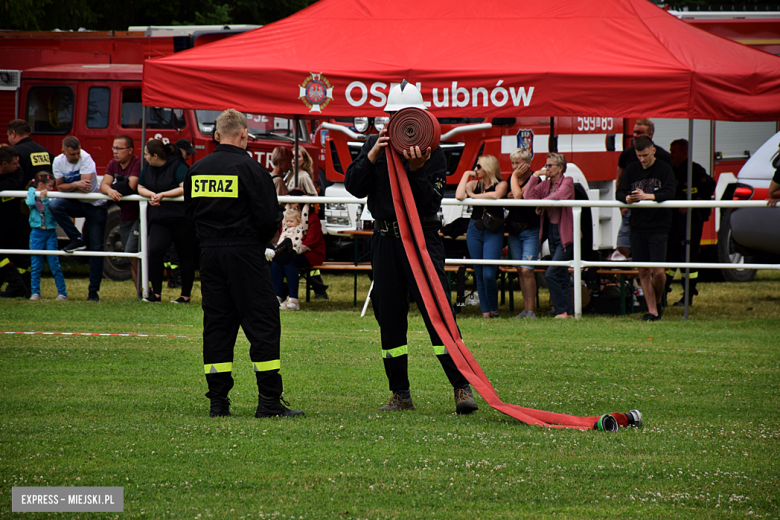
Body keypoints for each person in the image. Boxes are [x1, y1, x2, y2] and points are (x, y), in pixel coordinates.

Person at [344, 80, 478, 415]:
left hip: (421, 240)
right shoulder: (373, 145)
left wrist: (416, 170)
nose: (398, 123)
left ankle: (461, 386)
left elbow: (430, 202)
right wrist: (372, 156)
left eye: (406, 116)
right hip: (386, 241)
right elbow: (353, 187)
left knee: (438, 315)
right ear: (386, 118)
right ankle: (400, 393)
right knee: (389, 317)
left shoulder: (432, 151)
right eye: (392, 116)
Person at [184, 108, 303, 419]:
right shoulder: (252, 170)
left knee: (217, 326)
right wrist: (257, 244)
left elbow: (189, 217)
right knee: (263, 324)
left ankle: (218, 403)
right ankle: (268, 402)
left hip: (209, 255)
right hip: (246, 254)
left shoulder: (196, 170)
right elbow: (269, 218)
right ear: (242, 135)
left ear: (216, 135)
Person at [616, 136, 676, 322]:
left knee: (658, 272)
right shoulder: (632, 169)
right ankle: (652, 311)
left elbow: (669, 192)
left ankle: (658, 301)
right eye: (639, 156)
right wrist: (627, 199)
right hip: (637, 226)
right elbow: (620, 191)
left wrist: (647, 196)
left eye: (645, 155)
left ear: (653, 151)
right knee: (643, 270)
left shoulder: (664, 169)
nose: (642, 159)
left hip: (658, 226)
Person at [137, 139, 196, 304]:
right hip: (159, 218)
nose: (144, 157)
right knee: (155, 251)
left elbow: (185, 187)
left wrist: (163, 194)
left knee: (184, 255)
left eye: (146, 154)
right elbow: (139, 187)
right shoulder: (147, 168)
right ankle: (156, 294)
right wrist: (151, 194)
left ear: (155, 156)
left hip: (181, 218)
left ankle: (185, 295)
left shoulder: (178, 166)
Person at [49, 136, 105, 302]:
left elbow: (86, 188)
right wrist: (75, 185)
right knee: (54, 206)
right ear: (63, 152)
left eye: (77, 153)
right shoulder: (58, 161)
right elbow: (59, 186)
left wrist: (70, 186)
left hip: (95, 205)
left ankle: (93, 292)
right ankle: (76, 238)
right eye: (72, 154)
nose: (76, 157)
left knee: (97, 248)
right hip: (76, 201)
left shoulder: (86, 158)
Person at [524, 153, 576, 319]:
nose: (546, 168)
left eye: (550, 166)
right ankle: (567, 312)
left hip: (564, 234)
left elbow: (560, 196)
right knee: (560, 274)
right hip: (552, 233)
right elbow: (528, 196)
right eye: (546, 165)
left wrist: (542, 203)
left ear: (560, 168)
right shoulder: (545, 184)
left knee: (551, 273)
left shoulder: (567, 181)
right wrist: (534, 176)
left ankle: (561, 310)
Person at [664, 138, 716, 306]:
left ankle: (688, 296)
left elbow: (710, 185)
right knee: (671, 255)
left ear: (685, 153)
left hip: (692, 222)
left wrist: (693, 203)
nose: (671, 155)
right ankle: (663, 291)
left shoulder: (694, 170)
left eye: (674, 152)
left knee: (689, 257)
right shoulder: (672, 170)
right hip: (675, 221)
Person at [456, 154, 508, 318]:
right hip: (475, 229)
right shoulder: (474, 183)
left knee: (488, 274)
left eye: (479, 166)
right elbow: (459, 196)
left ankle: (493, 310)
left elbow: (496, 196)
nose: (476, 170)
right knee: (478, 272)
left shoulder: (502, 184)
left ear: (488, 168)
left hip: (493, 230)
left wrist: (473, 196)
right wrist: (465, 175)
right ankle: (486, 313)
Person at [615, 119, 673, 258]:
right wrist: (623, 204)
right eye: (634, 132)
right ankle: (631, 279)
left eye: (639, 132)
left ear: (650, 135)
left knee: (656, 262)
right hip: (633, 212)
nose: (635, 135)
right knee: (623, 250)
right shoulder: (626, 155)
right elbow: (619, 182)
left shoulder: (663, 158)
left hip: (657, 217)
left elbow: (670, 188)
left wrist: (649, 196)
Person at [270, 190, 326, 311]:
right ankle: (277, 296)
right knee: (277, 260)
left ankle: (294, 299)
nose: (292, 206)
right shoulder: (286, 218)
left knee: (288, 260)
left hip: (313, 252)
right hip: (292, 251)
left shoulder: (312, 218)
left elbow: (311, 242)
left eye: (294, 203)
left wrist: (291, 251)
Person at [100, 136, 141, 288]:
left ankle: (144, 289)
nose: (115, 152)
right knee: (130, 256)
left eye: (119, 148)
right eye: (113, 148)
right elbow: (103, 185)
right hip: (125, 217)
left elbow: (131, 186)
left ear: (130, 150)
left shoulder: (137, 163)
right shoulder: (113, 164)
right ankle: (140, 292)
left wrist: (112, 189)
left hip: (139, 217)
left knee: (132, 252)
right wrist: (110, 191)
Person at [506, 147, 540, 319]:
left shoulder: (536, 179)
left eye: (518, 163)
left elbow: (518, 196)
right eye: (512, 163)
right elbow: (508, 200)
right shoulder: (510, 178)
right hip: (514, 230)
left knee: (527, 270)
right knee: (520, 270)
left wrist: (514, 180)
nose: (514, 166)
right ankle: (526, 310)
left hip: (530, 230)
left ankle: (531, 310)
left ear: (528, 163)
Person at [26, 172, 67, 301]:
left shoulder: (51, 197)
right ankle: (35, 292)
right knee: (36, 264)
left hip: (50, 233)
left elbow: (51, 209)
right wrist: (34, 191)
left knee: (54, 263)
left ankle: (62, 293)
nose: (51, 189)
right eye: (50, 186)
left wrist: (45, 199)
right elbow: (30, 203)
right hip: (37, 233)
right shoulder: (31, 193)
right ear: (41, 185)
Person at [0, 145, 31, 298]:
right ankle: (17, 285)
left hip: (17, 220)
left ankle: (23, 287)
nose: (19, 166)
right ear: (4, 165)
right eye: (15, 163)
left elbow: (14, 185)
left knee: (21, 258)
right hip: (1, 223)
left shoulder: (17, 172)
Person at [7, 119, 53, 185]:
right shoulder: (44, 150)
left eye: (8, 135)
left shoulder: (15, 152)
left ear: (13, 133)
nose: (8, 139)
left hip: (23, 193)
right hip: (43, 193)